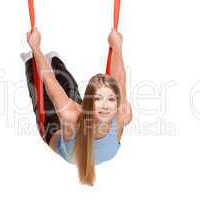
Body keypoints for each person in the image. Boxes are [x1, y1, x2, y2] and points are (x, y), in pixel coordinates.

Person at [21, 28, 132, 186]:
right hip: (71, 123)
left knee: (41, 95)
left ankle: (31, 60)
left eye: (111, 99)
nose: (106, 105)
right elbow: (49, 80)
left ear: (117, 102)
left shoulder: (121, 114)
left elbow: (119, 82)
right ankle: (53, 59)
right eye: (98, 98)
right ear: (88, 102)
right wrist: (117, 46)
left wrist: (35, 49)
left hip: (54, 132)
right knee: (67, 88)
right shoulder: (72, 114)